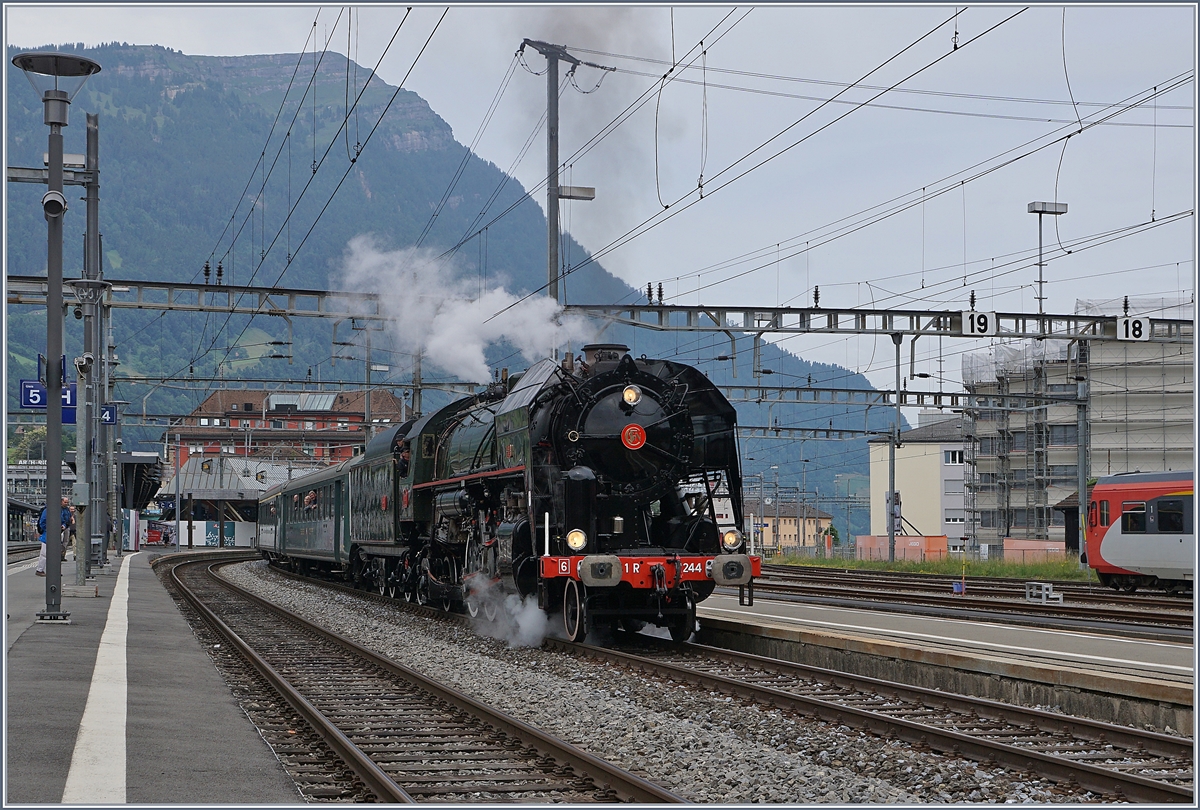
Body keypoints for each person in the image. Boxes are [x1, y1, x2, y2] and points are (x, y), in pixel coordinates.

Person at [35, 497, 73, 577]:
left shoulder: (57, 510)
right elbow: (43, 522)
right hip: (48, 535)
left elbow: (63, 521)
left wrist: (63, 526)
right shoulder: (50, 510)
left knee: (53, 553)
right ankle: (40, 569)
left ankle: (49, 570)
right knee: (45, 553)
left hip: (53, 534)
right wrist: (50, 529)